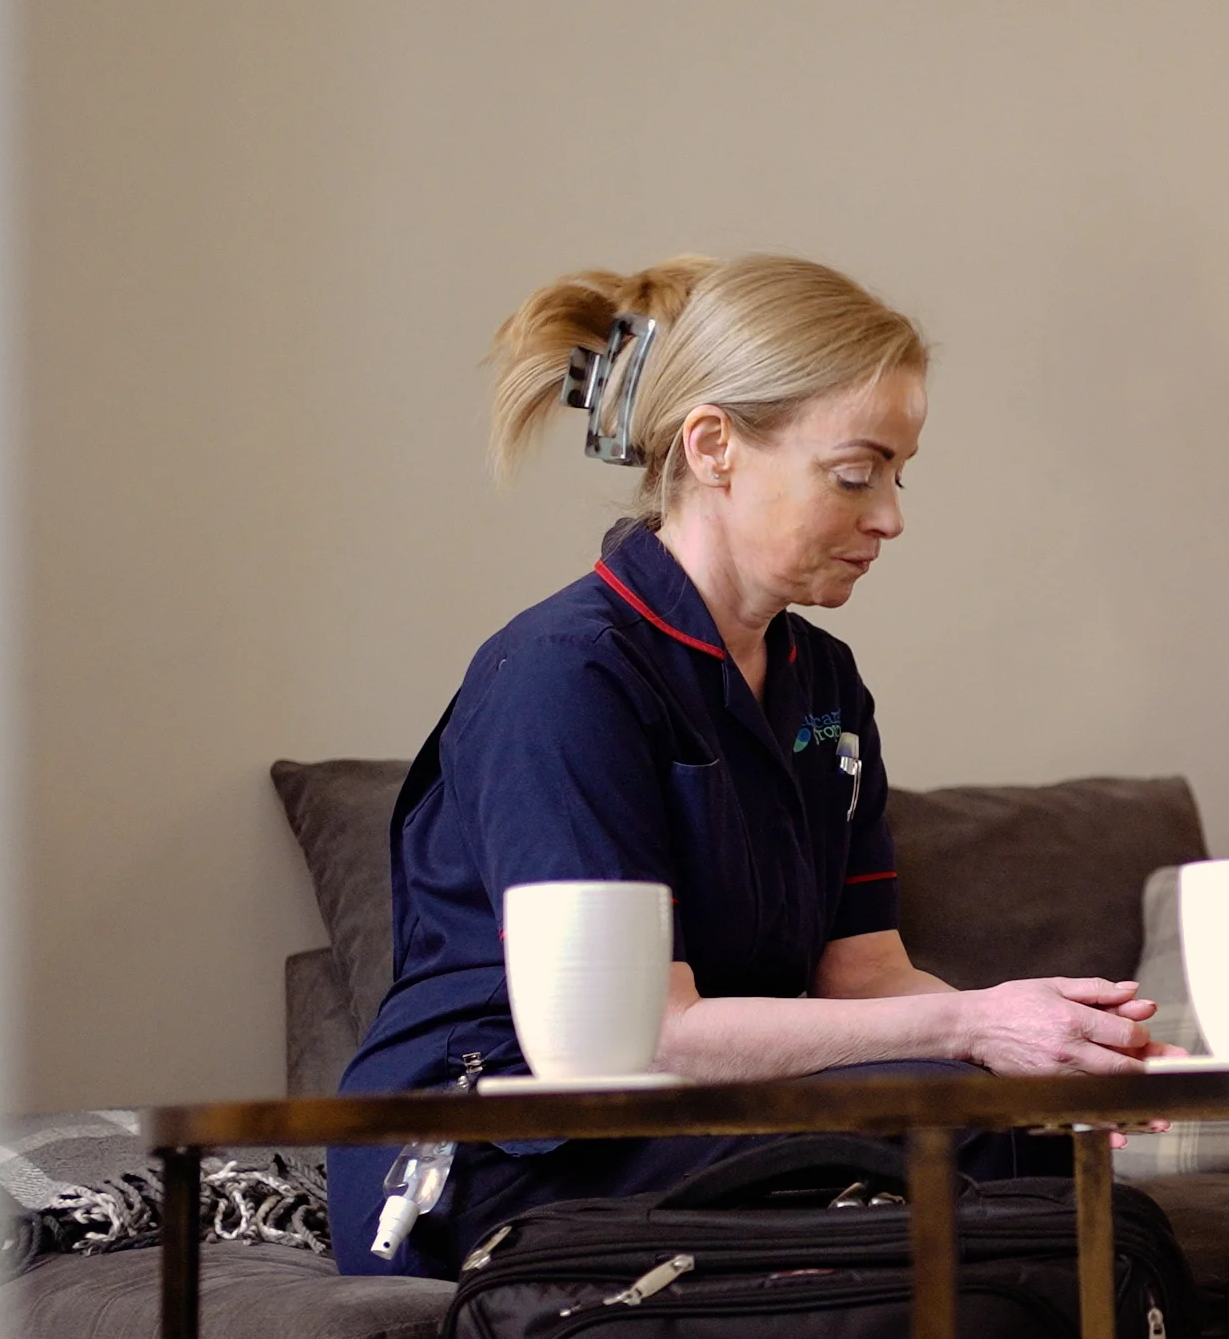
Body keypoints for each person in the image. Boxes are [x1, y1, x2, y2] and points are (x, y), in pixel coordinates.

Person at [329, 254, 1162, 1275]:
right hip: (509, 1146)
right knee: (965, 1143)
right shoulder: (565, 674)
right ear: (714, 444)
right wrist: (976, 1026)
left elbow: (866, 975)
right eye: (857, 474)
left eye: (900, 475)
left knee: (1027, 1141)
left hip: (698, 1114)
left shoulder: (824, 686)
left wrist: (1056, 1055)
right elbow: (650, 1035)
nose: (892, 516)